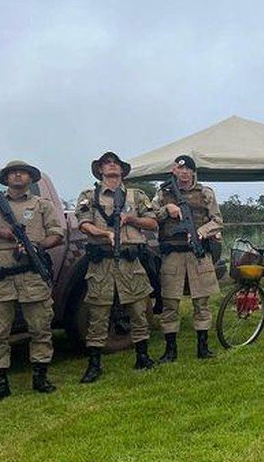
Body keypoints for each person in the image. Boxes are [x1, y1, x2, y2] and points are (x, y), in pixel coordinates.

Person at [75, 151, 159, 383]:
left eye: (115, 163)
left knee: (139, 311)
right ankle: (94, 364)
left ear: (122, 170)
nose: (111, 166)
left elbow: (152, 222)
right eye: (106, 163)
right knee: (98, 313)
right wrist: (105, 233)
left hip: (130, 262)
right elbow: (84, 224)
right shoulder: (89, 196)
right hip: (101, 263)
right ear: (100, 170)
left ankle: (142, 356)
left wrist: (130, 219)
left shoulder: (136, 196)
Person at [0, 160, 65, 403]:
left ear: (30, 179)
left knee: (40, 328)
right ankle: (1, 383)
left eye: (22, 173)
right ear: (6, 179)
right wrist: (0, 233)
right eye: (13, 173)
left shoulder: (41, 205)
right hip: (0, 278)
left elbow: (57, 234)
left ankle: (40, 377)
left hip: (31, 276)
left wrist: (37, 245)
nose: (18, 176)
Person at [151, 155, 223, 361]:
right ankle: (170, 350)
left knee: (201, 302)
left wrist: (202, 231)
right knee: (170, 303)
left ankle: (202, 347)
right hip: (173, 254)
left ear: (192, 172)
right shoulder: (163, 193)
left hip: (198, 254)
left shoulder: (205, 193)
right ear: (175, 171)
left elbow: (217, 220)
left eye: (187, 169)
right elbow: (150, 216)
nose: (183, 173)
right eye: (179, 169)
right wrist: (167, 209)